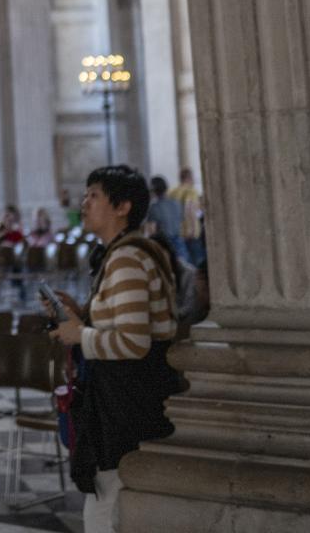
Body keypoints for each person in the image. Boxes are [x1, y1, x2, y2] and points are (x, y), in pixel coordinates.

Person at [50, 166, 180, 531]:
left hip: (125, 399)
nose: (84, 202)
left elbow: (133, 341)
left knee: (107, 506)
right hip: (125, 395)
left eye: (94, 195)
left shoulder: (126, 259)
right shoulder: (126, 253)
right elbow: (123, 324)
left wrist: (80, 335)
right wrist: (79, 315)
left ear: (122, 206)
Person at [0, 205, 27, 303]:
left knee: (0, 269)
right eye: (6, 218)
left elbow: (21, 246)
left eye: (10, 220)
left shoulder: (17, 233)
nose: (8, 222)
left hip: (12, 260)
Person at [146, 176, 188, 266]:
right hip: (180, 244)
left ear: (153, 191)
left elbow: (152, 231)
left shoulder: (154, 207)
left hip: (164, 247)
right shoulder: (177, 203)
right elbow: (182, 223)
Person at [168, 168, 205, 268]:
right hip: (191, 233)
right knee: (197, 264)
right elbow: (189, 208)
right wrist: (192, 229)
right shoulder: (191, 191)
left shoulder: (171, 192)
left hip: (177, 233)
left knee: (184, 266)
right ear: (189, 178)